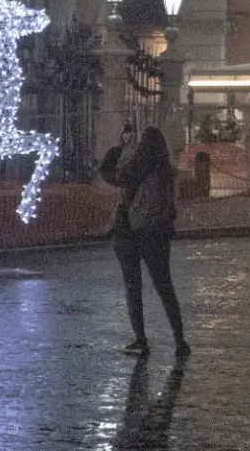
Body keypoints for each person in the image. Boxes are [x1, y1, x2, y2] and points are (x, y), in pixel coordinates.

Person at [101, 125, 190, 358]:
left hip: (127, 231)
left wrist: (119, 148)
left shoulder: (133, 166)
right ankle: (180, 340)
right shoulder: (167, 171)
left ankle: (141, 340)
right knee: (164, 286)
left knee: (133, 287)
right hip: (156, 232)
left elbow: (108, 172)